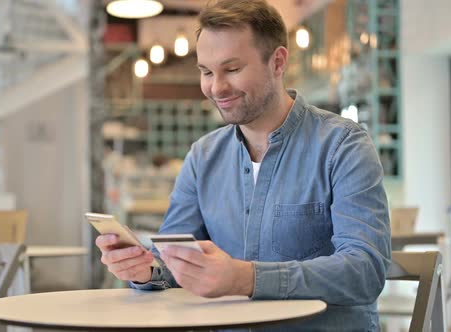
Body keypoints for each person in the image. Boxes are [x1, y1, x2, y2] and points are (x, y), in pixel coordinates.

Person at [96, 0, 391, 330]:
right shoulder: (203, 157)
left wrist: (246, 278)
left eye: (232, 69)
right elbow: (175, 257)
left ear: (277, 62)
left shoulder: (343, 145)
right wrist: (148, 270)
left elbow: (365, 271)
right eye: (206, 72)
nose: (216, 87)